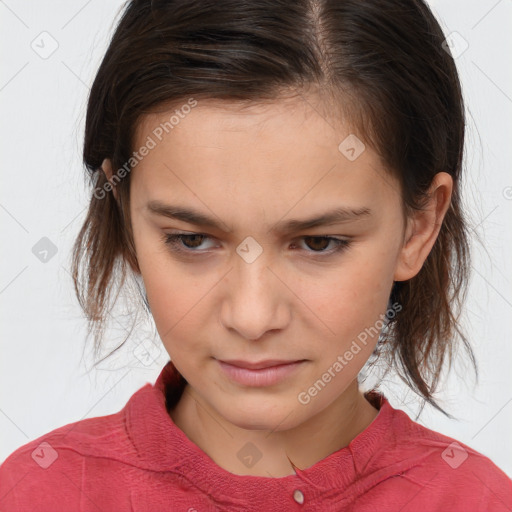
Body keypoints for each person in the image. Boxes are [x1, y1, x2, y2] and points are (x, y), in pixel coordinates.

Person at [1, 0, 511, 510]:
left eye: (318, 242)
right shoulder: (36, 494)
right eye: (191, 240)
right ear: (126, 219)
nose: (251, 317)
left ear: (417, 228)